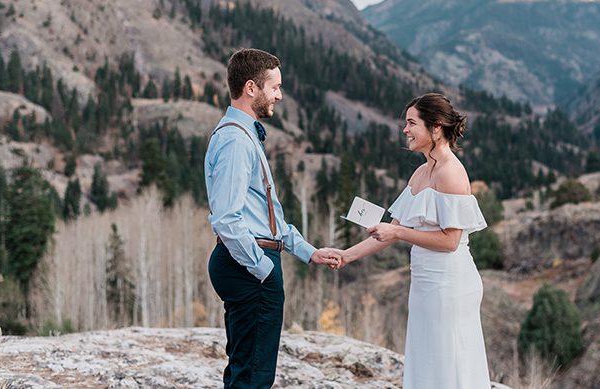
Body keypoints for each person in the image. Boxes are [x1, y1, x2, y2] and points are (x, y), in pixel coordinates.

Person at [205, 48, 343, 388]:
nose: (279, 95)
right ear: (251, 88)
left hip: (250, 260)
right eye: (275, 87)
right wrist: (261, 267)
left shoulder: (244, 135)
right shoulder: (236, 141)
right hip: (250, 263)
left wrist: (308, 251)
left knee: (246, 367)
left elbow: (266, 215)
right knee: (254, 374)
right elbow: (227, 218)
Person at [334, 93, 489, 388]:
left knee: (449, 361)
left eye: (411, 123)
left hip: (450, 285)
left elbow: (450, 241)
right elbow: (393, 228)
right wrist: (346, 255)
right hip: (425, 283)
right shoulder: (421, 173)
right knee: (427, 358)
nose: (405, 130)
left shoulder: (451, 173)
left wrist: (399, 233)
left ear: (437, 127)